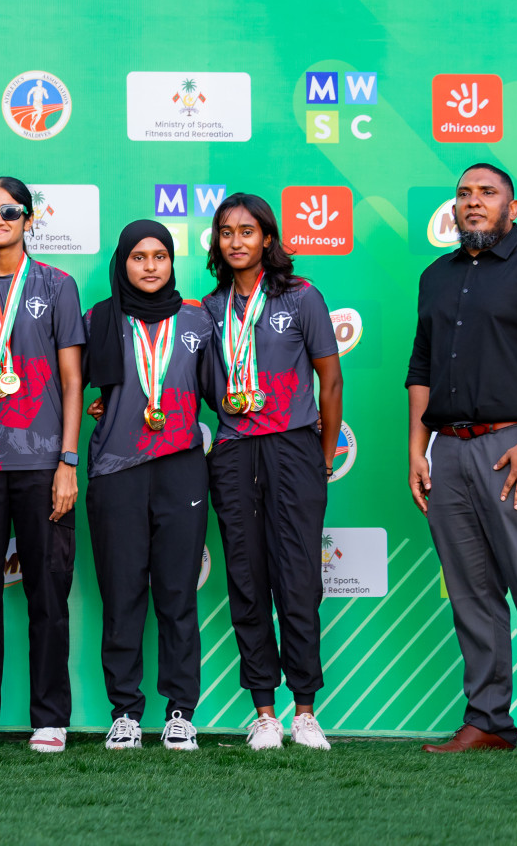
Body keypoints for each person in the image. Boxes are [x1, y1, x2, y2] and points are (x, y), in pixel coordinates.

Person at [409, 165, 517, 760]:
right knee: (471, 594)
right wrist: (418, 445)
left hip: (515, 451)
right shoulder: (436, 276)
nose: (473, 202)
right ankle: (486, 721)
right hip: (450, 451)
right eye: (464, 194)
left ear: (513, 208)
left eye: (487, 193)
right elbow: (422, 370)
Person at [202, 193, 342, 751]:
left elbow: (329, 382)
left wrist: (323, 455)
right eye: (226, 232)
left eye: (247, 231)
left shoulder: (301, 296)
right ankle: (264, 712)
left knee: (300, 579)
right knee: (246, 575)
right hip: (235, 450)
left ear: (267, 237)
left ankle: (305, 710)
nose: (236, 241)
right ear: (217, 242)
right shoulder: (209, 309)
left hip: (293, 447)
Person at [83, 220, 217, 751]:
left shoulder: (199, 319)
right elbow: (85, 390)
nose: (150, 265)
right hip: (116, 470)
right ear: (123, 261)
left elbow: (220, 389)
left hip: (181, 464)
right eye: (139, 256)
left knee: (178, 596)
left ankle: (181, 709)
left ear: (171, 262)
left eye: (160, 255)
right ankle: (126, 712)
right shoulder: (100, 318)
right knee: (122, 596)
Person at [0, 177, 84, 756]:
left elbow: (71, 381)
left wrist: (68, 459)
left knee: (47, 595)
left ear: (28, 217)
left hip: (42, 463)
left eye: (9, 210)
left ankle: (50, 717)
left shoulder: (57, 285)